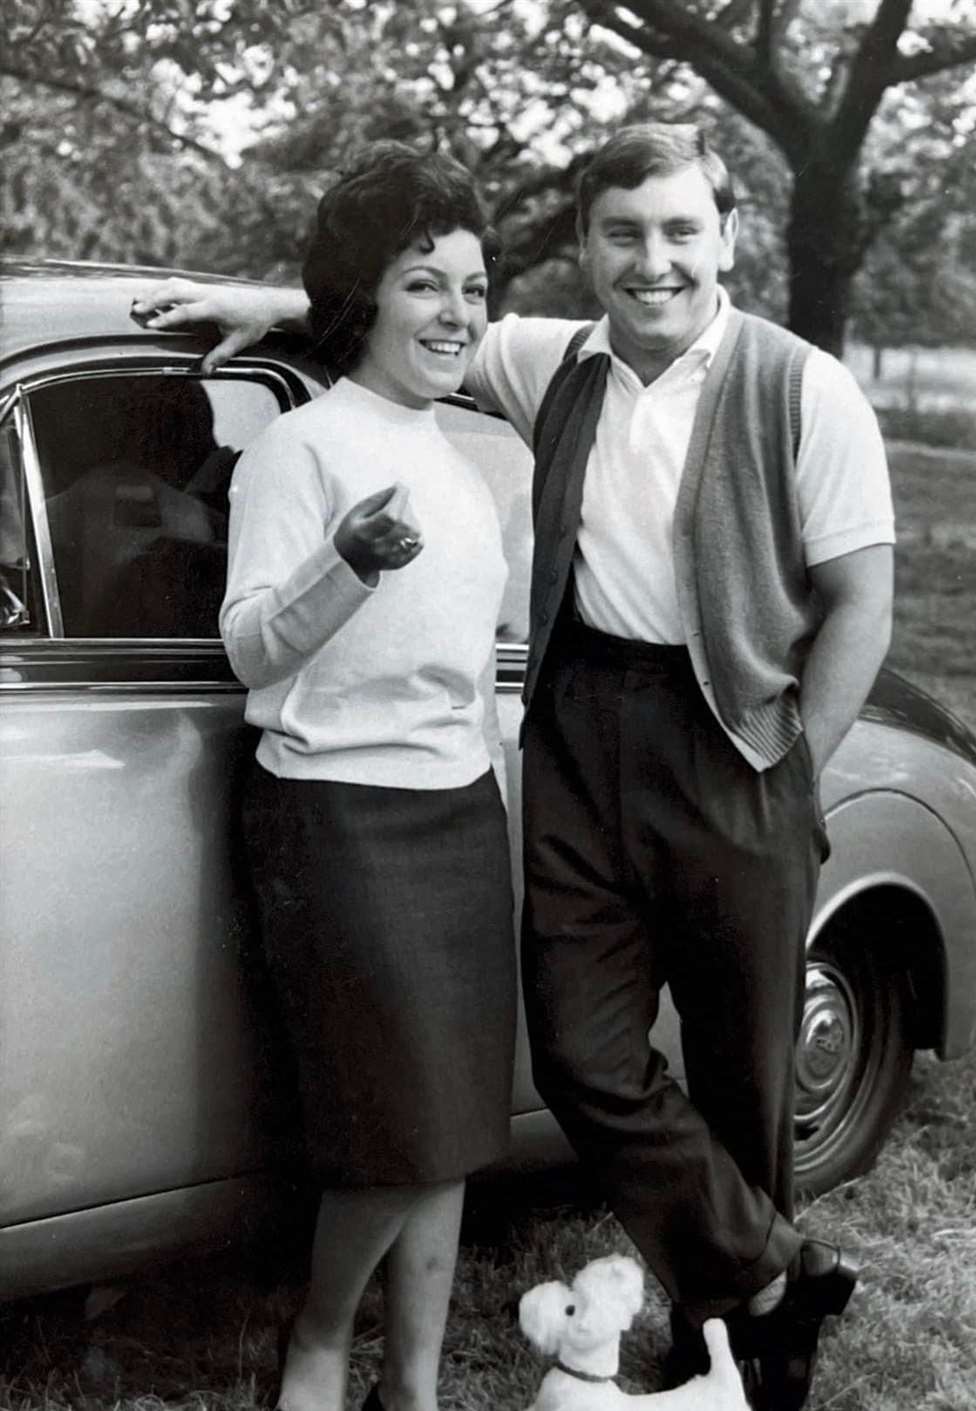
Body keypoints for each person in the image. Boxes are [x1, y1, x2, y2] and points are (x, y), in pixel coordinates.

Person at [134, 121, 894, 1410]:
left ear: (726, 235)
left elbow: (861, 601)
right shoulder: (555, 363)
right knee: (588, 1057)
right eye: (621, 234)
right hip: (584, 721)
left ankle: (749, 1333)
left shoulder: (804, 385)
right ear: (589, 250)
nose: (652, 261)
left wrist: (796, 769)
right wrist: (260, 300)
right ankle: (769, 1268)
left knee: (745, 1055)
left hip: (741, 734)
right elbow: (399, 303)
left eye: (679, 231)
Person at [191, 142, 517, 1411]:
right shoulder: (302, 448)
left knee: (452, 1132)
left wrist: (488, 764)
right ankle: (320, 1345)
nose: (458, 316)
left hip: (454, 813)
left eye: (475, 290)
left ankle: (418, 1388)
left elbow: (471, 664)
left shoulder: (464, 455)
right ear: (363, 299)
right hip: (336, 817)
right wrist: (349, 564)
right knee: (394, 1131)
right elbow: (248, 645)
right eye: (426, 284)